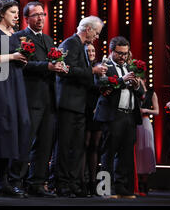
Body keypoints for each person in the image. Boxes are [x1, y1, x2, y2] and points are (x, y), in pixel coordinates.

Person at [11, 1, 66, 198]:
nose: (40, 18)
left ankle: (37, 182)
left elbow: (54, 62)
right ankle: (16, 181)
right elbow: (23, 64)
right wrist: (48, 67)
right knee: (25, 142)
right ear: (26, 18)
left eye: (42, 14)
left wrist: (60, 67)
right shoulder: (19, 37)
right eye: (35, 15)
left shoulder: (49, 40)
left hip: (49, 99)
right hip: (30, 96)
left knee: (44, 144)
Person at [0, 0, 30, 198]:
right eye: (12, 12)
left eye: (17, 13)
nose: (17, 16)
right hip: (0, 82)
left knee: (14, 129)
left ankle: (4, 181)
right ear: (1, 13)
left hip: (15, 81)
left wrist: (22, 59)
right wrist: (13, 57)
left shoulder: (14, 35)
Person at [55, 16, 107, 197]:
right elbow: (65, 70)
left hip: (79, 105)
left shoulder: (82, 47)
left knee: (77, 147)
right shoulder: (70, 43)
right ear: (88, 29)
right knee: (64, 146)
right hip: (68, 103)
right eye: (97, 33)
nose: (97, 37)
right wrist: (92, 71)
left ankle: (74, 184)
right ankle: (62, 184)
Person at [94, 36, 144, 198]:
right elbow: (101, 85)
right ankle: (104, 189)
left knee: (126, 154)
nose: (123, 57)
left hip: (129, 116)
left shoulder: (130, 67)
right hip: (112, 116)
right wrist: (122, 80)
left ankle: (121, 187)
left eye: (125, 53)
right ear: (111, 51)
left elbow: (142, 93)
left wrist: (137, 86)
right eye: (119, 53)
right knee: (108, 153)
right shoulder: (104, 66)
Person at [83, 43, 103, 196]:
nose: (91, 52)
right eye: (88, 50)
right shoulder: (84, 67)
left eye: (93, 50)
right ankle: (83, 180)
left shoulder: (99, 68)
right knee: (85, 144)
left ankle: (93, 182)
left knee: (95, 146)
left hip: (97, 109)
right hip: (84, 109)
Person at [135, 78, 159, 195]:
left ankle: (145, 182)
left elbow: (157, 111)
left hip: (145, 122)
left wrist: (145, 110)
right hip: (135, 124)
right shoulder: (134, 92)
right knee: (137, 152)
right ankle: (138, 181)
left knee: (146, 152)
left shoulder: (151, 93)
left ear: (144, 80)